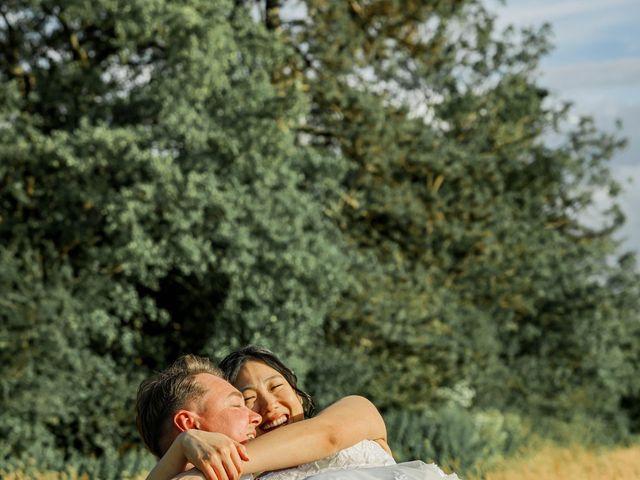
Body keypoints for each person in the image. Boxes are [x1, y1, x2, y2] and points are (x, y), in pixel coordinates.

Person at [138, 349, 459, 480]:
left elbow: (326, 435)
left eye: (277, 387)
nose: (266, 408)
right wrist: (183, 449)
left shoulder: (354, 411)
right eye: (244, 401)